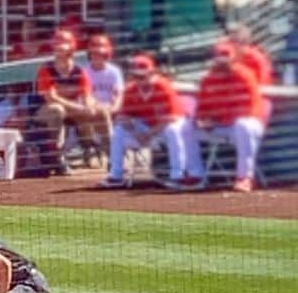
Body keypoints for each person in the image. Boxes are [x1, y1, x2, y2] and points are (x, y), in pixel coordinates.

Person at [98, 54, 202, 190]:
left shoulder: (163, 86)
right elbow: (122, 116)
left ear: (152, 73)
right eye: (136, 76)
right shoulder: (131, 89)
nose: (139, 80)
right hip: (146, 128)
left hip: (167, 128)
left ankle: (178, 176)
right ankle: (116, 175)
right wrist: (129, 126)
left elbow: (172, 117)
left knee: (173, 129)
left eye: (142, 76)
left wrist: (149, 134)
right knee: (119, 130)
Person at [190, 42, 266, 192]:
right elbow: (201, 109)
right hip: (220, 126)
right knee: (186, 127)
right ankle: (192, 175)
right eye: (219, 57)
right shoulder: (208, 79)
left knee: (243, 125)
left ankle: (245, 177)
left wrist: (217, 119)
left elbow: (248, 109)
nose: (222, 61)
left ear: (233, 58)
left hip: (249, 124)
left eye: (226, 56)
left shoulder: (244, 75)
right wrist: (201, 120)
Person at [29, 30, 96, 175]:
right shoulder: (47, 69)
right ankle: (57, 156)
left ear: (71, 47)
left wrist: (88, 106)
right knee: (57, 110)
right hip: (43, 111)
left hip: (68, 109)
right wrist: (79, 107)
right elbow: (51, 99)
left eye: (63, 44)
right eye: (57, 43)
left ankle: (88, 150)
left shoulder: (78, 71)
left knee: (88, 112)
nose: (59, 47)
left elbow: (87, 94)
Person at [81, 33, 123, 166]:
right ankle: (93, 148)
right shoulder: (84, 71)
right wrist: (97, 106)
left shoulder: (114, 71)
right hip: (90, 108)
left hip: (110, 109)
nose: (97, 57)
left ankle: (111, 154)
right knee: (89, 115)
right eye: (94, 54)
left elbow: (118, 94)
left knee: (104, 114)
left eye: (101, 54)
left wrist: (113, 107)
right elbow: (85, 94)